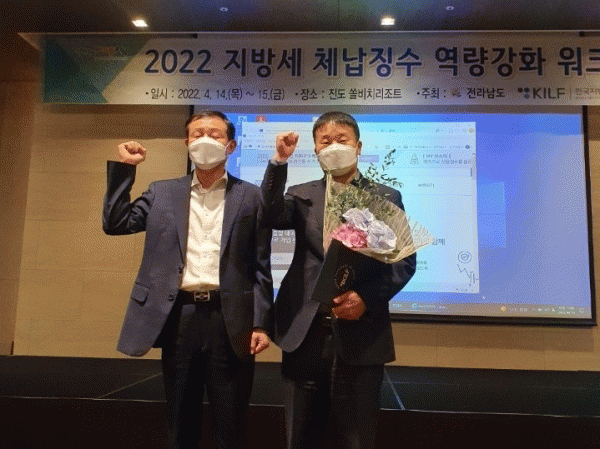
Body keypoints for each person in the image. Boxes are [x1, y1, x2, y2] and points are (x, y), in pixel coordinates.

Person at [103, 110, 273, 449]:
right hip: (179, 316)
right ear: (187, 143)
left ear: (231, 145)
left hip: (231, 319)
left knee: (230, 420)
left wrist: (261, 322)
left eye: (214, 134)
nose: (205, 139)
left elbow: (261, 264)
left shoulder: (252, 196)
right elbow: (116, 223)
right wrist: (126, 168)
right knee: (180, 418)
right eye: (197, 134)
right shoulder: (162, 192)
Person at [260, 111, 416, 449]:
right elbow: (269, 214)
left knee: (356, 437)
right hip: (304, 333)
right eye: (325, 141)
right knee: (300, 437)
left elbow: (403, 263)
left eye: (341, 140)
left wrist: (366, 299)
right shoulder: (300, 195)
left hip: (362, 334)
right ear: (316, 150)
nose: (333, 146)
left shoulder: (385, 197)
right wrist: (278, 162)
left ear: (358, 146)